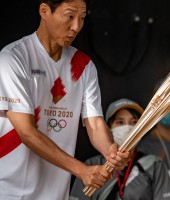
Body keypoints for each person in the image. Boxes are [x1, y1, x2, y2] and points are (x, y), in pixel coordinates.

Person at [0, 1, 130, 199]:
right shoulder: (14, 58)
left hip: (57, 194)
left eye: (82, 18)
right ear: (44, 11)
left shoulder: (84, 65)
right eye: (70, 16)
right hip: (10, 192)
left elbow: (94, 123)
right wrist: (82, 170)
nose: (76, 26)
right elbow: (27, 133)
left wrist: (110, 150)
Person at [70, 98, 170, 200]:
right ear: (109, 127)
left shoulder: (154, 165)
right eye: (120, 122)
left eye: (134, 122)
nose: (127, 128)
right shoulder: (92, 166)